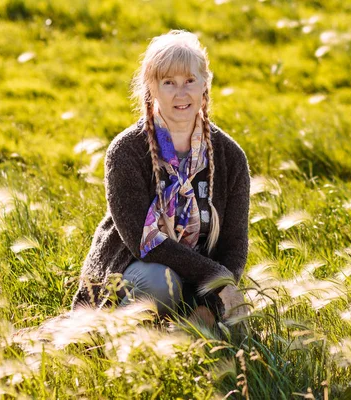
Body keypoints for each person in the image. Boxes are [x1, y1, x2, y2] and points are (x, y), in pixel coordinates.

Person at [70, 30, 250, 325]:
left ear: (205, 83)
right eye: (169, 83)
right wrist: (215, 277)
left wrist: (215, 295)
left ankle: (186, 325)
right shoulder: (127, 151)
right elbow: (145, 243)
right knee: (160, 282)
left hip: (199, 281)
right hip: (135, 273)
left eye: (190, 81)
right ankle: (111, 336)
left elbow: (234, 246)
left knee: (219, 329)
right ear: (151, 88)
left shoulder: (230, 157)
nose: (181, 93)